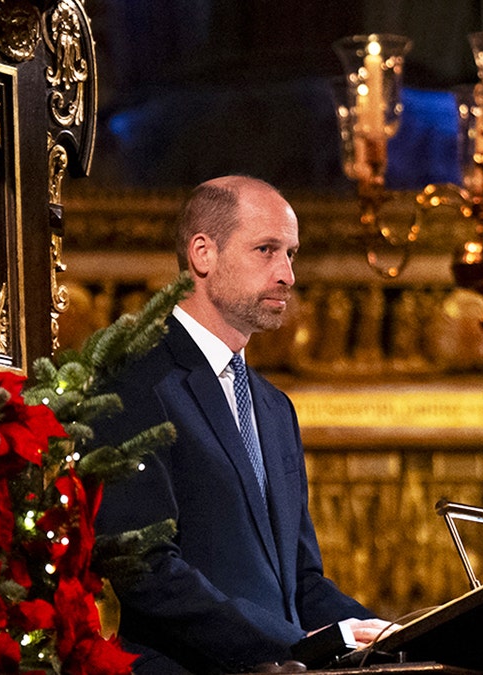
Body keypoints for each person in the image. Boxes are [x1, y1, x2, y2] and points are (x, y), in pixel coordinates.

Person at [94, 176, 394, 673]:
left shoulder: (275, 409)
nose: (287, 275)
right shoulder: (136, 378)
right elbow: (144, 567)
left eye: (291, 254)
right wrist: (294, 645)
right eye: (266, 250)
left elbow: (300, 582)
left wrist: (392, 637)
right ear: (202, 253)